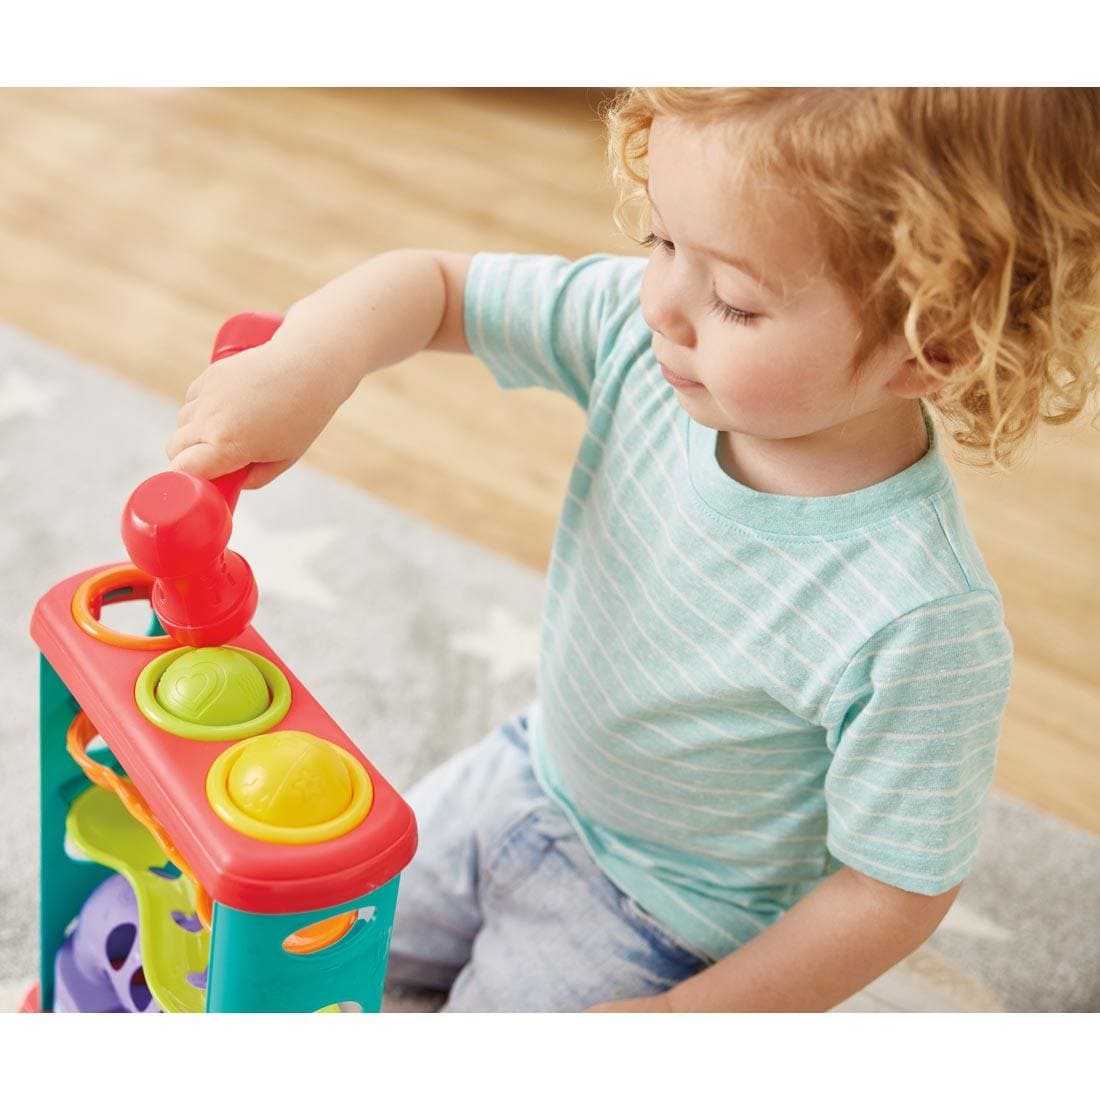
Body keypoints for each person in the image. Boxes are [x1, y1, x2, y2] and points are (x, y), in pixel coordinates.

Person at [167, 88, 1100, 1011]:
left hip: (662, 920)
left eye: (734, 300)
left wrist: (683, 1024)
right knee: (263, 948)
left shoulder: (920, 616)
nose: (661, 302)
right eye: (660, 240)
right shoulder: (639, 330)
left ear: (931, 344)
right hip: (528, 770)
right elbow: (436, 288)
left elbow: (894, 889)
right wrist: (309, 363)